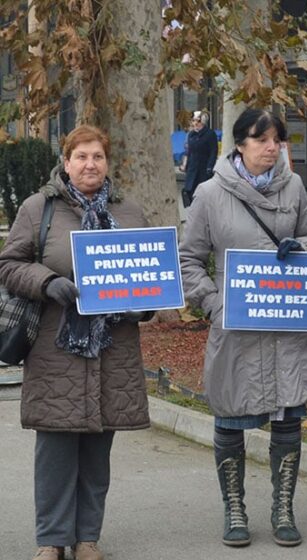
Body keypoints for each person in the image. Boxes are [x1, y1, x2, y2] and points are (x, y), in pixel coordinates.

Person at [0, 125, 151, 560]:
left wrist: (142, 305)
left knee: (97, 450)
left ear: (108, 163)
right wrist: (48, 283)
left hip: (113, 349)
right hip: (56, 346)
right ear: (65, 162)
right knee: (55, 448)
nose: (90, 164)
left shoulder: (129, 212)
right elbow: (9, 265)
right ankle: (51, 539)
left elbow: (148, 276)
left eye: (98, 157)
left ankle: (87, 537)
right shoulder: (39, 209)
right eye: (81, 156)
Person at [179, 108, 307, 547]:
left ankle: (283, 508)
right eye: (262, 140)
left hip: (287, 325)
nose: (272, 148)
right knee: (230, 416)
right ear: (239, 144)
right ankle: (235, 508)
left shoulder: (293, 186)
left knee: (288, 416)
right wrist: (214, 304)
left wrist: (303, 247)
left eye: (277, 140)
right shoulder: (209, 193)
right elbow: (188, 259)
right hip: (236, 329)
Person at [180, 110, 218, 207]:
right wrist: (185, 165)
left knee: (202, 194)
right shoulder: (191, 135)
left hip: (203, 168)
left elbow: (213, 152)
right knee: (189, 191)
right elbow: (188, 152)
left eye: (198, 121)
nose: (195, 123)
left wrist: (210, 167)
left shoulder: (210, 134)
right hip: (192, 167)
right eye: (193, 121)